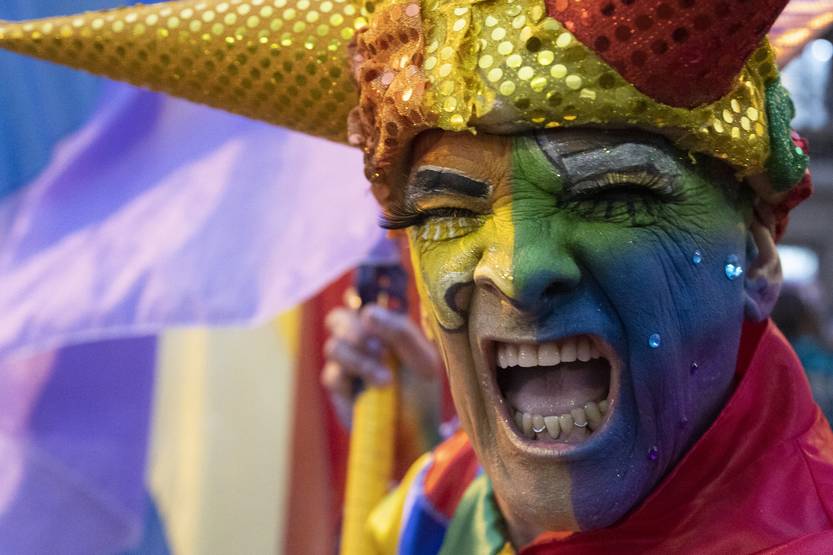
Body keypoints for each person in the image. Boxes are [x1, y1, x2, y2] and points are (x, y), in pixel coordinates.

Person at [3, 0, 833, 552]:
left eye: (613, 195)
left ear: (758, 253)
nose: (519, 270)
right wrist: (412, 433)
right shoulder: (444, 498)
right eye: (447, 209)